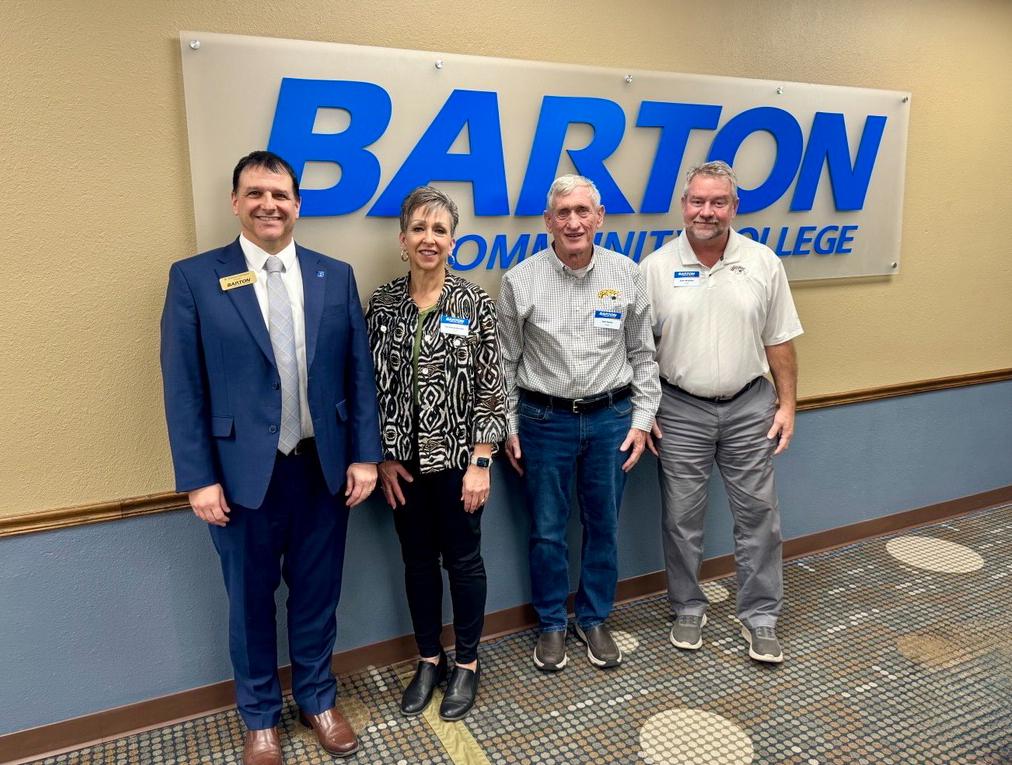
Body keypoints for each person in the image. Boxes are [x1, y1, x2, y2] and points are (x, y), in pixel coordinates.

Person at [160, 150, 382, 764]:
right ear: (235, 202)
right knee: (250, 600)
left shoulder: (332, 275)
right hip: (239, 479)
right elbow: (183, 388)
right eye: (255, 193)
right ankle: (259, 716)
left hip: (322, 470)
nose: (269, 205)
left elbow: (357, 376)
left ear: (298, 205)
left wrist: (365, 457)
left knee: (318, 594)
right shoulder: (196, 278)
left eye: (281, 195)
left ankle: (316, 698)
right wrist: (198, 479)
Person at [641, 160, 803, 664]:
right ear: (683, 204)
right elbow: (640, 352)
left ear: (735, 207)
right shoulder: (655, 268)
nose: (706, 211)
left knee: (759, 517)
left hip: (749, 406)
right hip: (679, 409)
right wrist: (645, 413)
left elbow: (779, 339)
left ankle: (761, 617)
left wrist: (789, 404)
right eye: (697, 201)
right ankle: (687, 608)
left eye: (718, 202)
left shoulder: (762, 262)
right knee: (681, 519)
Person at [497, 174, 661, 671]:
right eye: (563, 213)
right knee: (547, 530)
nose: (573, 222)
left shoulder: (628, 274)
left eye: (582, 211)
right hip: (543, 421)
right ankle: (550, 623)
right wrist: (508, 424)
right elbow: (504, 361)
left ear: (599, 216)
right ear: (548, 221)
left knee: (603, 525)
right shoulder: (518, 280)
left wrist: (642, 418)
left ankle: (593, 617)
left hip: (612, 419)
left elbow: (644, 355)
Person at [366, 186, 507, 720]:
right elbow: (368, 389)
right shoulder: (381, 306)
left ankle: (467, 663)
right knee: (417, 563)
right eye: (420, 229)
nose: (430, 239)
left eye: (440, 230)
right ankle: (429, 657)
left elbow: (492, 388)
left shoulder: (473, 303)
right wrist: (380, 458)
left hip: (459, 467)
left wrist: (480, 462)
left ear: (454, 240)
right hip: (402, 469)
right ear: (403, 240)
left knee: (465, 562)